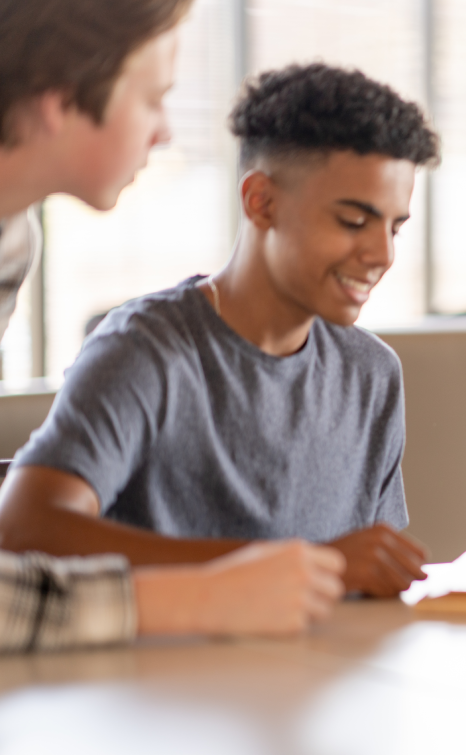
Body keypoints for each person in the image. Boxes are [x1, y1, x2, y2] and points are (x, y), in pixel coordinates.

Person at [0, 62, 441, 609]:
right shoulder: (145, 350)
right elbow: (23, 527)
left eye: (394, 227)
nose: (383, 254)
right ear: (261, 202)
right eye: (354, 221)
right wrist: (295, 566)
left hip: (319, 682)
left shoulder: (372, 375)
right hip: (164, 685)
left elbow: (372, 580)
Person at [0, 0, 347, 651]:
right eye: (154, 97)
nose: (164, 132)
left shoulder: (12, 238)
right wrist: (202, 593)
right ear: (60, 97)